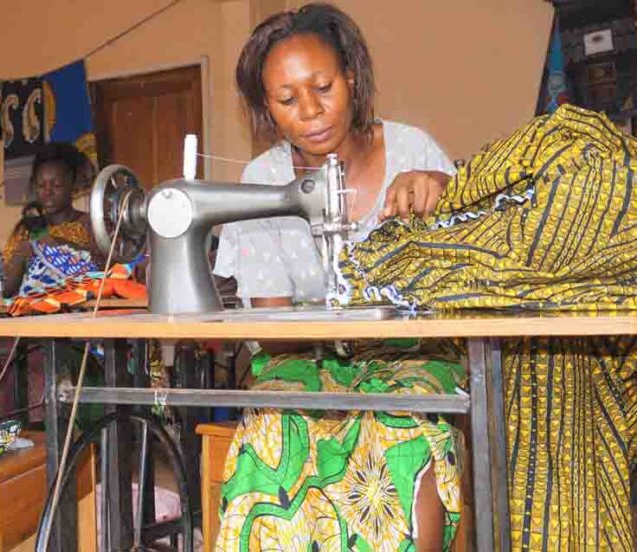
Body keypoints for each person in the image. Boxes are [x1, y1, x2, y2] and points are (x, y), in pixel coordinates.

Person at [213, 4, 463, 550]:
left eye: (323, 86)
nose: (311, 111)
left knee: (404, 426)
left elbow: (476, 265)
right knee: (271, 429)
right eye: (287, 99)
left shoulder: (412, 151)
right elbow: (272, 325)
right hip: (303, 356)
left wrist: (448, 192)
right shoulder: (264, 181)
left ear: (351, 76)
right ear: (266, 110)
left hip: (411, 354)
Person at [0, 142, 103, 429]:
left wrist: (58, 246)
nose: (47, 192)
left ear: (72, 185)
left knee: (38, 358)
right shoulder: (26, 230)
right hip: (28, 318)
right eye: (41, 185)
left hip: (74, 323)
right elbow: (8, 289)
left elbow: (102, 273)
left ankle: (43, 436)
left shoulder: (91, 227)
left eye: (56, 185)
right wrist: (21, 257)